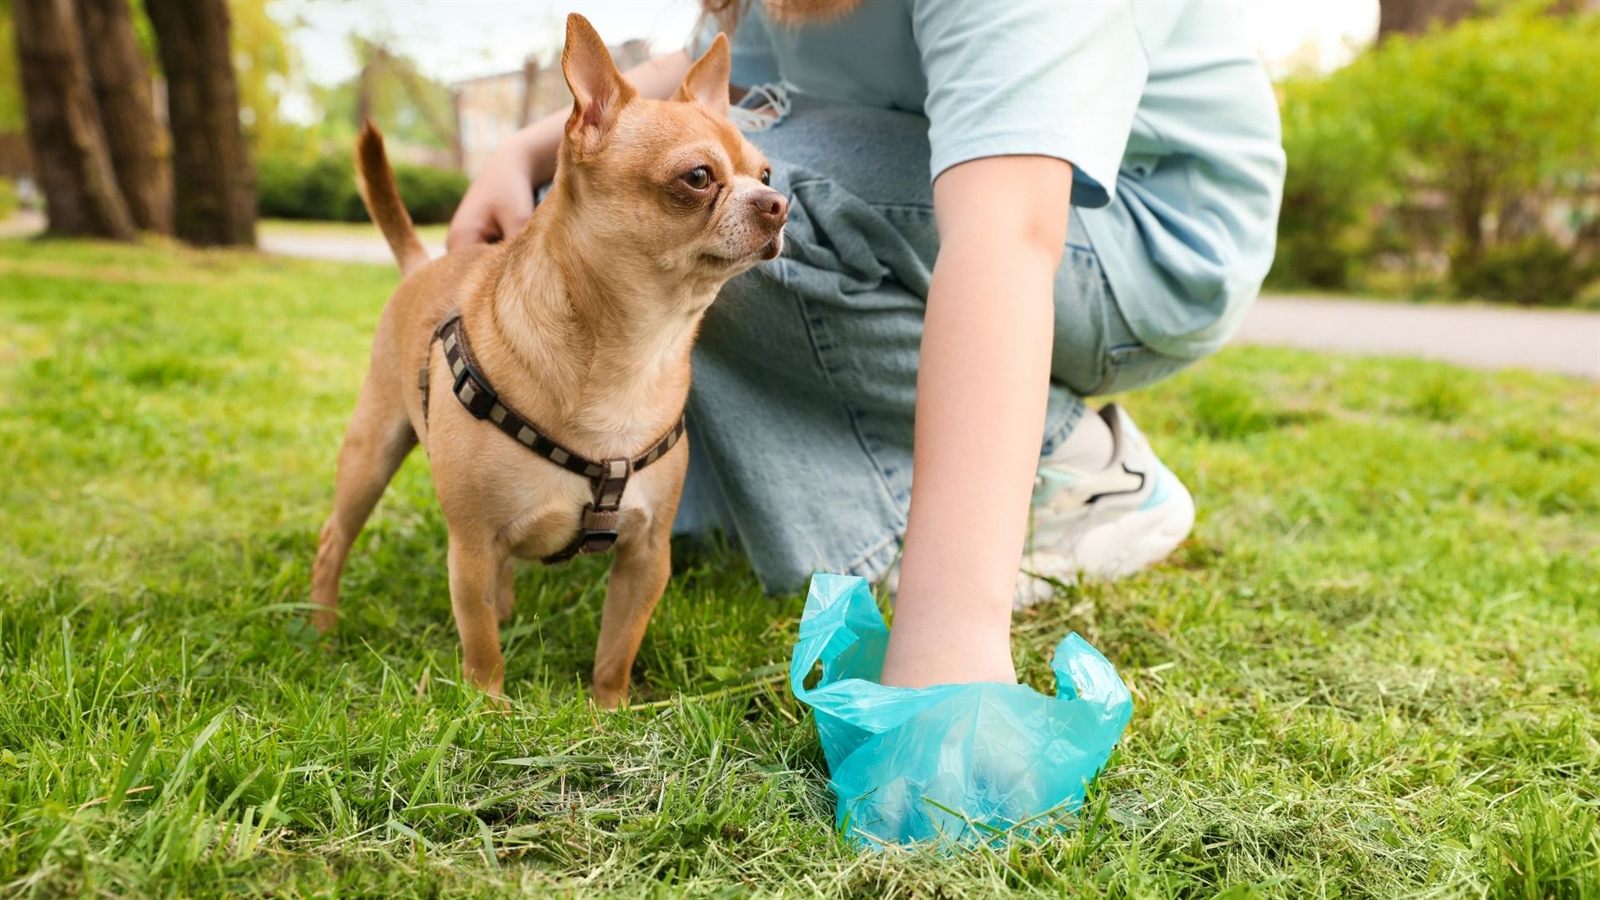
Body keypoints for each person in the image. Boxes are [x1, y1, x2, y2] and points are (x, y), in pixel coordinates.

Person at [448, 0, 1285, 690]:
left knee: (750, 206)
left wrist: (948, 635)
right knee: (616, 202)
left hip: (1137, 237)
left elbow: (1010, 230)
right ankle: (832, 486)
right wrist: (527, 152)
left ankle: (1061, 466)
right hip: (941, 187)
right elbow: (713, 70)